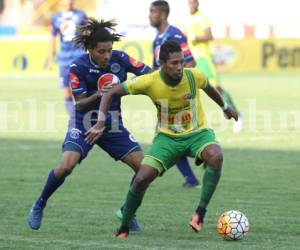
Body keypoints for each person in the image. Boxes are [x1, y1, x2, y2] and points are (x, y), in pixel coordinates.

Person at [85, 40, 238, 238]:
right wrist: (100, 122)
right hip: (167, 139)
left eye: (181, 62)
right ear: (163, 64)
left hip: (197, 133)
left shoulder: (194, 76)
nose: (180, 67)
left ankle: (200, 213)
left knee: (216, 156)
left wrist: (226, 107)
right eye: (174, 63)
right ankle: (124, 226)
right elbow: (111, 92)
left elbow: (208, 87)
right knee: (141, 178)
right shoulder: (150, 81)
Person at [27, 18, 152, 232]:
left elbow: (149, 74)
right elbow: (80, 102)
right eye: (101, 51)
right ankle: (40, 203)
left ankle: (127, 211)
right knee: (66, 165)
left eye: (109, 51)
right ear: (90, 50)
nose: (106, 56)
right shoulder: (78, 66)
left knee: (145, 170)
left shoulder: (121, 59)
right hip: (84, 121)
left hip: (112, 124)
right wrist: (100, 93)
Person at [149, 0, 200, 188]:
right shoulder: (156, 40)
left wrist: (184, 91)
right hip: (164, 100)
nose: (150, 16)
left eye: (152, 12)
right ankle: (192, 176)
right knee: (173, 140)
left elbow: (190, 63)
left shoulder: (176, 35)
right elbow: (156, 73)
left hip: (179, 99)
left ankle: (198, 164)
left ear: (162, 15)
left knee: (171, 140)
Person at [185, 0, 243, 133]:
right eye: (189, 3)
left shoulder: (202, 18)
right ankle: (188, 122)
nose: (191, 6)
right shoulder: (189, 19)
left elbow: (209, 35)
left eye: (193, 3)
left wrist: (196, 37)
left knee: (216, 88)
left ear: (197, 4)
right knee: (188, 88)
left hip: (204, 59)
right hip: (192, 59)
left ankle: (237, 115)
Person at [47, 0, 87, 116]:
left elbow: (88, 33)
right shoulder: (56, 18)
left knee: (81, 88)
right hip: (64, 58)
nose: (69, 2)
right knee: (66, 90)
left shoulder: (81, 15)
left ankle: (83, 115)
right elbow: (52, 38)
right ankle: (73, 117)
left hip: (79, 55)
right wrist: (51, 59)